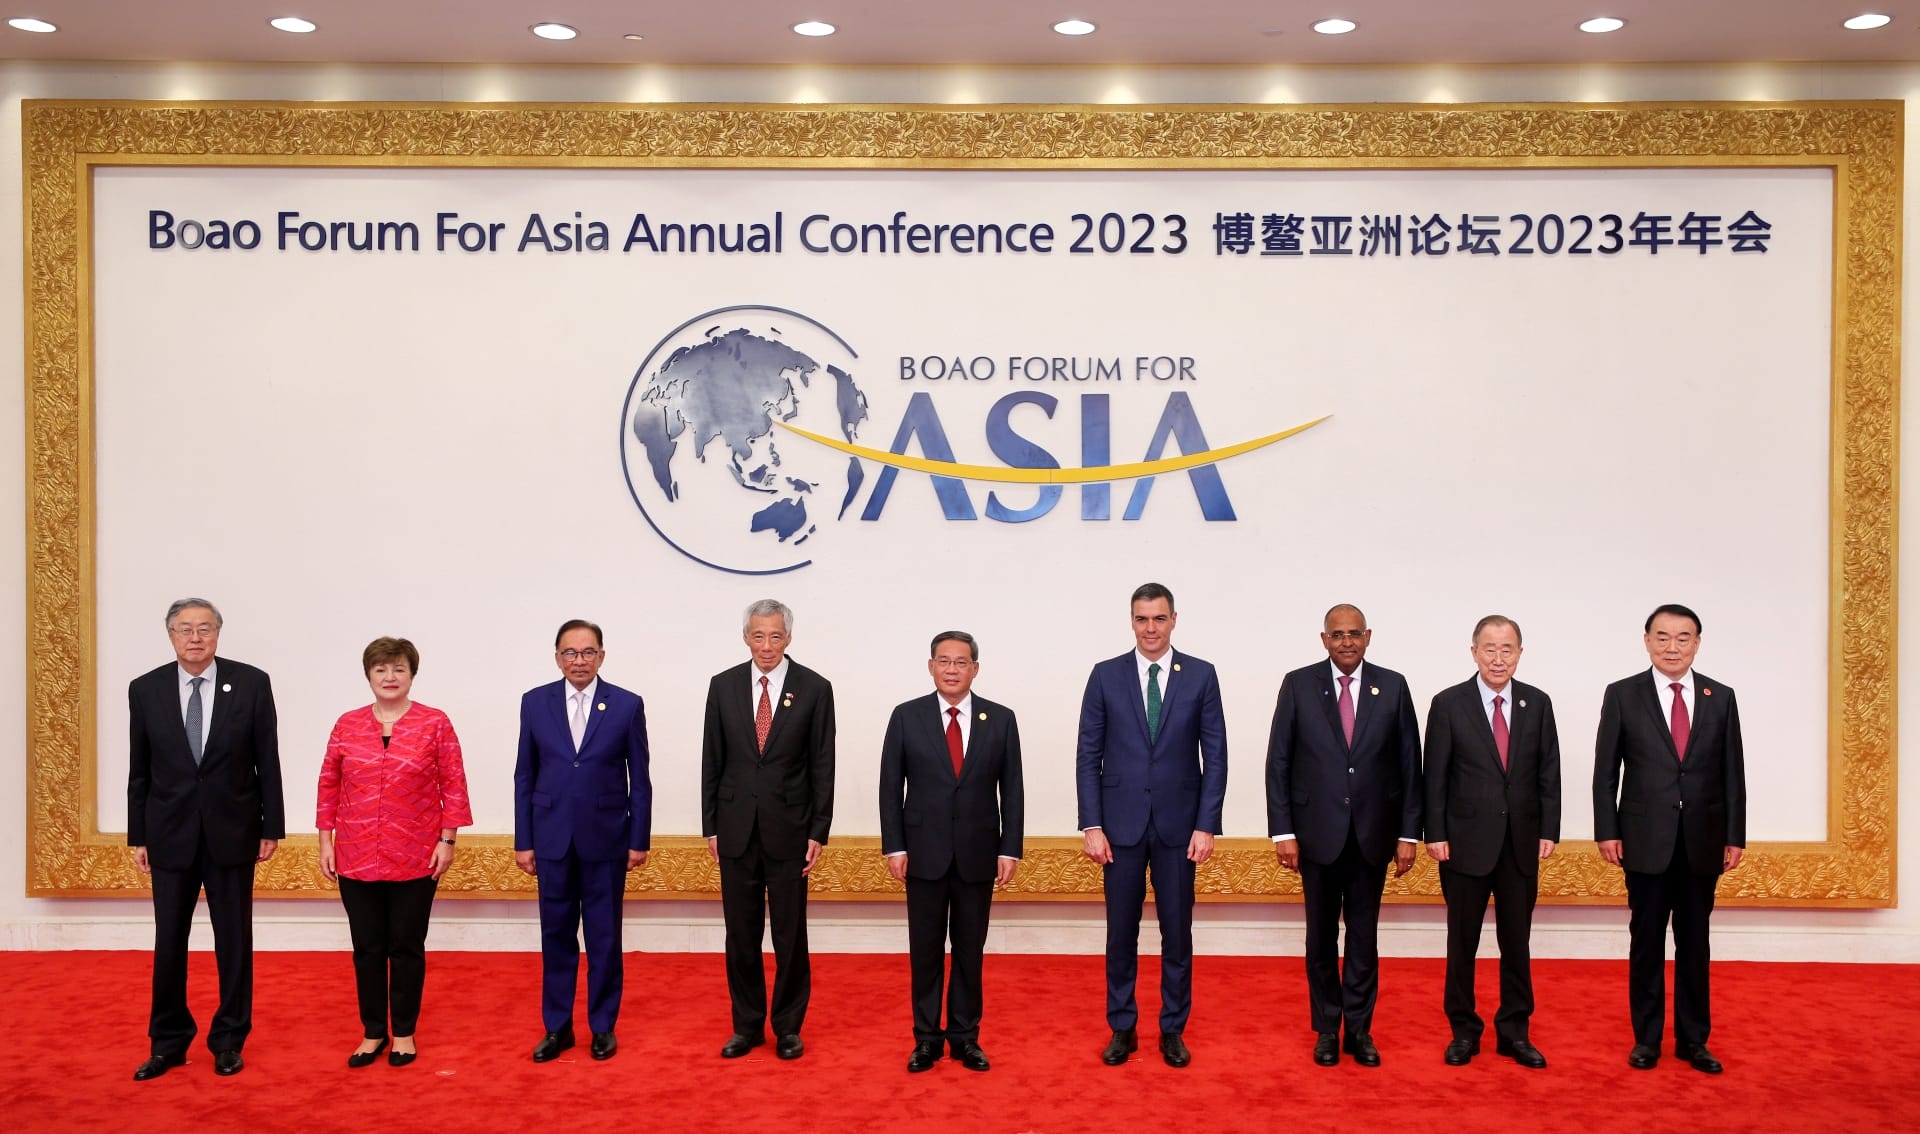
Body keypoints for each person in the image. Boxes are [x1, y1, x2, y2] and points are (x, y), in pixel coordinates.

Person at [127, 597, 285, 1081]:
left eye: (204, 628)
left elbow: (267, 759)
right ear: (170, 635)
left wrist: (271, 826)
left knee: (233, 940)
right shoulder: (146, 689)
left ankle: (229, 1040)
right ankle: (168, 1042)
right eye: (184, 628)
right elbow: (139, 768)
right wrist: (139, 834)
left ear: (218, 633)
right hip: (168, 833)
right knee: (169, 942)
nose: (194, 637)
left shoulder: (252, 683)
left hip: (233, 831)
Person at [1075, 582, 1227, 1069]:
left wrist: (1206, 825)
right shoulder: (1105, 675)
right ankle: (1122, 1026)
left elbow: (1215, 756)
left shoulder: (1201, 675)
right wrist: (1092, 824)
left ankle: (1172, 1028)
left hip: (1180, 829)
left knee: (1177, 933)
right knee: (1120, 934)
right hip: (1118, 828)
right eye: (1142, 619)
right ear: (1131, 621)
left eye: (1159, 618)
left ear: (1174, 620)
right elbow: (1088, 755)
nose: (1151, 628)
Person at [1264, 603, 1421, 1068]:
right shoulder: (1298, 685)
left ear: (1368, 637)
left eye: (1354, 633)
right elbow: (1279, 761)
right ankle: (1327, 1029)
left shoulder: (1393, 686)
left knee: (1364, 938)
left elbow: (1410, 765)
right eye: (1337, 634)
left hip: (1373, 834)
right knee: (1320, 939)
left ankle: (1359, 1030)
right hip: (1315, 836)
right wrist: (1283, 831)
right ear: (1324, 639)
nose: (1346, 641)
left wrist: (1409, 833)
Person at [1594, 603, 1746, 1075]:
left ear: (1697, 643)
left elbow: (1733, 773)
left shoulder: (1720, 696)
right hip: (1644, 839)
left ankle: (1693, 1041)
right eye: (1662, 637)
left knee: (1695, 944)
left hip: (1703, 840)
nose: (1672, 647)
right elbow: (1605, 772)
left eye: (1683, 638)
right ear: (1647, 641)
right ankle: (1647, 1039)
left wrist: (1735, 835)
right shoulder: (1623, 694)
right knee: (1646, 942)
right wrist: (1607, 830)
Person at [316, 636, 473, 1068]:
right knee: (367, 947)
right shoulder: (347, 724)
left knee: (406, 945)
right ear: (368, 675)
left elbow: (454, 784)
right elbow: (329, 783)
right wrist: (326, 840)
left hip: (417, 853)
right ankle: (372, 1032)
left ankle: (403, 1032)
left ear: (412, 675)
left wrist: (447, 840)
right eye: (381, 669)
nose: (390, 677)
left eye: (399, 669)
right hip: (355, 852)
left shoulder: (435, 723)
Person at [878, 630, 1025, 1073]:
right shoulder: (907, 716)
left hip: (978, 855)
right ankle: (926, 1040)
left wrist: (1009, 849)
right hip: (923, 854)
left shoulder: (1000, 719)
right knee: (925, 951)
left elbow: (1012, 790)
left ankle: (964, 1038)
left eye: (961, 662)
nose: (952, 670)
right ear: (931, 666)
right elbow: (890, 787)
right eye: (944, 661)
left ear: (975, 669)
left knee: (968, 952)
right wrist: (895, 845)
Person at [1422, 615, 1560, 1069]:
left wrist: (1548, 829)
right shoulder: (1448, 704)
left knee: (1516, 943)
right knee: (1462, 943)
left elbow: (1548, 772)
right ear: (1474, 652)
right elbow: (1434, 776)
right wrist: (1435, 833)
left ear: (1519, 653)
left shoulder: (1537, 703)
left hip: (1520, 844)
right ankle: (1463, 1031)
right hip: (1463, 845)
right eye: (1490, 649)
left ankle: (1515, 1031)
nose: (1498, 658)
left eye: (1507, 649)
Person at [703, 599, 836, 1061]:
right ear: (746, 637)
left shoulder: (814, 688)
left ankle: (788, 1027)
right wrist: (711, 825)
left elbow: (823, 764)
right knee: (740, 935)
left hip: (791, 831)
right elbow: (712, 759)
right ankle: (746, 1026)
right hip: (735, 828)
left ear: (788, 638)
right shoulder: (723, 686)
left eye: (775, 636)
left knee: (789, 935)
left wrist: (819, 829)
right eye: (758, 636)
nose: (766, 645)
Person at [513, 619, 652, 1063]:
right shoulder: (535, 702)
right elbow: (524, 774)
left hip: (606, 839)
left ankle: (602, 1026)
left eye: (588, 652)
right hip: (550, 838)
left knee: (604, 936)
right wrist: (524, 840)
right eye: (570, 653)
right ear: (557, 657)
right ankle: (557, 1028)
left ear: (601, 656)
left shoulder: (626, 705)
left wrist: (638, 838)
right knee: (556, 935)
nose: (579, 660)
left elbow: (640, 779)